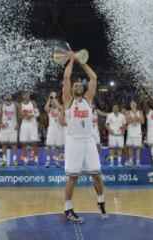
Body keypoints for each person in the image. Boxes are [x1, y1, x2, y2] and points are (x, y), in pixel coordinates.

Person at [62, 51, 107, 223]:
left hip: (88, 140)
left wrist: (82, 62)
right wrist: (72, 60)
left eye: (80, 85)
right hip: (74, 141)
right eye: (75, 86)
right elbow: (66, 77)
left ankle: (101, 202)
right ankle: (68, 209)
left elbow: (93, 78)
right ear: (72, 90)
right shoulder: (68, 101)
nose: (78, 87)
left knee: (97, 174)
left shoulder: (88, 99)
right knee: (73, 177)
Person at [0, 92, 19, 167]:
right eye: (7, 95)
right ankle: (4, 160)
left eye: (10, 95)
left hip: (13, 126)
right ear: (5, 96)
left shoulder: (15, 104)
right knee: (4, 144)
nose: (8, 96)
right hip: (4, 127)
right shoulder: (2, 105)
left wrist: (18, 124)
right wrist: (0, 124)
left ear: (12, 96)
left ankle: (15, 160)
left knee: (14, 144)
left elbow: (19, 115)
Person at [44, 91, 65, 168]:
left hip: (59, 128)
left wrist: (54, 97)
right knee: (48, 145)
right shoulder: (50, 109)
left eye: (54, 100)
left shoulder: (61, 108)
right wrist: (50, 98)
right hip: (51, 128)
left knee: (58, 146)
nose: (53, 101)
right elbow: (45, 108)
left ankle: (56, 161)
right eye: (52, 101)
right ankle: (48, 161)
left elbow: (59, 107)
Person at [19, 91, 40, 165]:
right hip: (24, 124)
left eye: (28, 95)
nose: (27, 96)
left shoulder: (33, 103)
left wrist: (31, 115)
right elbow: (19, 116)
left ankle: (36, 159)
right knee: (23, 143)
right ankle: (25, 159)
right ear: (23, 96)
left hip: (33, 124)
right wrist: (24, 116)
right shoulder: (20, 104)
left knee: (34, 142)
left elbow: (38, 114)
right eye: (25, 95)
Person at [125, 100, 144, 166]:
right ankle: (130, 160)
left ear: (136, 105)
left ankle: (138, 161)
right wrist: (134, 119)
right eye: (131, 103)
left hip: (138, 132)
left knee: (138, 147)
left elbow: (142, 122)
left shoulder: (140, 112)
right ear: (130, 105)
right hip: (130, 132)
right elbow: (127, 121)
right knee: (130, 146)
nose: (133, 104)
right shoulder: (127, 112)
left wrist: (137, 117)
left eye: (134, 103)